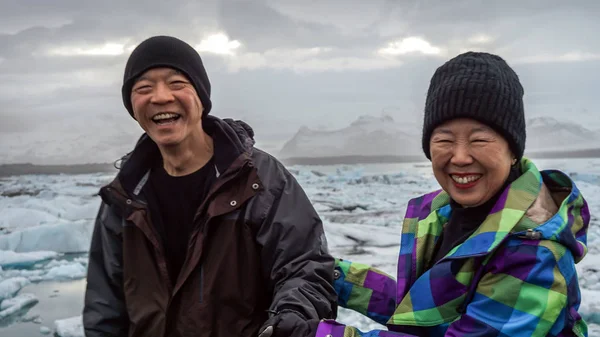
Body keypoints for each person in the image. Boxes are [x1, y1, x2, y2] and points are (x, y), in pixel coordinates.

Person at [314, 52, 591, 337]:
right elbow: (422, 311)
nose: (459, 157)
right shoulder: (446, 215)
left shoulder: (534, 251)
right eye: (444, 140)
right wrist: (332, 276)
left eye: (479, 140)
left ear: (512, 151)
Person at [82, 35, 337, 337]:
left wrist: (288, 321)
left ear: (201, 97)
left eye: (177, 83)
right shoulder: (125, 197)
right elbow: (105, 308)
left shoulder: (258, 180)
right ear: (132, 106)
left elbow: (304, 268)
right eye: (143, 88)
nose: (160, 97)